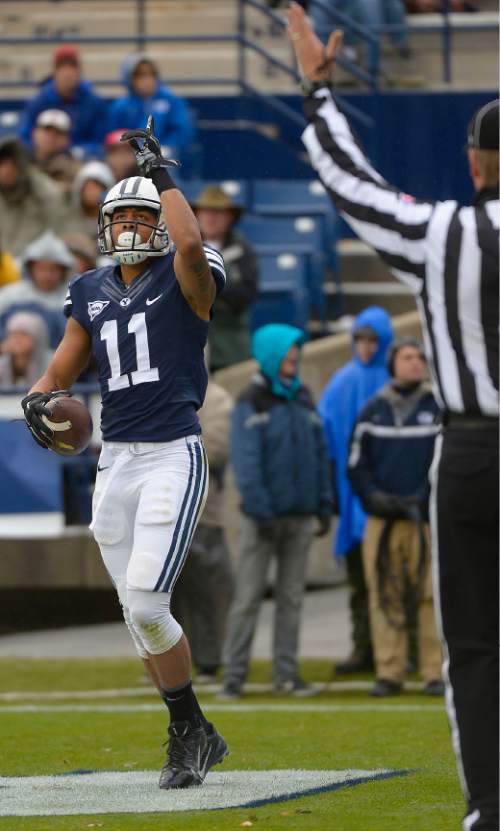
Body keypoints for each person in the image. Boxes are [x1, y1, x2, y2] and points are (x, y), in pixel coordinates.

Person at [287, 5, 498, 827]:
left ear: (475, 166)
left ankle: (490, 804)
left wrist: (318, 88)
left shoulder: (444, 233)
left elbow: (353, 186)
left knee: (475, 648)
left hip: (473, 454)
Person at [21, 119, 228, 790]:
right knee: (136, 612)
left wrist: (160, 172)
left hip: (172, 453)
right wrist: (40, 401)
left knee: (146, 605)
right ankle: (193, 728)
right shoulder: (89, 289)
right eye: (125, 214)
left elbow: (193, 243)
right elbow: (57, 373)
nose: (134, 225)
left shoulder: (186, 272)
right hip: (116, 460)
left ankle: (188, 727)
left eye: (146, 214)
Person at [221, 324, 332, 699]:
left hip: (299, 516)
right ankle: (233, 676)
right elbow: (247, 465)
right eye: (285, 353)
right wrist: (261, 510)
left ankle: (287, 674)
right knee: (248, 598)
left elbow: (319, 454)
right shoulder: (250, 401)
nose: (292, 359)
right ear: (270, 356)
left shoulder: (303, 397)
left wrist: (322, 504)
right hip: (261, 520)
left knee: (291, 599)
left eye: (295, 352)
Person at [347, 338, 442, 696]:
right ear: (393, 365)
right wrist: (373, 497)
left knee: (429, 595)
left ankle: (433, 672)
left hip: (424, 520)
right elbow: (356, 463)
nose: (415, 363)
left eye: (420, 358)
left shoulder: (438, 408)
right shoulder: (373, 411)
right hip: (382, 521)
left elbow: (444, 460)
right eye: (407, 357)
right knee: (383, 594)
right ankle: (390, 672)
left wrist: (425, 496)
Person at [318, 306, 393, 674]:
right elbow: (326, 439)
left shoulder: (394, 382)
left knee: (396, 577)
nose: (365, 347)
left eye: (372, 340)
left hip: (390, 495)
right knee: (359, 580)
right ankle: (363, 648)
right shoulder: (341, 382)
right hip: (351, 496)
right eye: (360, 340)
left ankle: (398, 651)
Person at [171, 371, 234, 683]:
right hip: (164, 510)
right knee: (163, 593)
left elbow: (219, 447)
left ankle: (209, 659)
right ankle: (166, 660)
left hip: (203, 510)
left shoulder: (217, 398)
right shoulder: (161, 388)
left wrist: (170, 448)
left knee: (207, 590)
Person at [191, 186, 259, 371]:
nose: (211, 218)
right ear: (196, 215)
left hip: (231, 349)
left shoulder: (244, 252)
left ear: (229, 217)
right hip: (191, 347)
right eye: (206, 212)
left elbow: (243, 296)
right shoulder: (184, 249)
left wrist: (205, 290)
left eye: (218, 213)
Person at [18, 45, 106, 158]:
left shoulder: (93, 101)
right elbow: (25, 137)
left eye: (72, 66)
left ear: (79, 71)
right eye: (62, 66)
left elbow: (101, 141)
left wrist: (76, 152)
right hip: (43, 158)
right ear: (54, 71)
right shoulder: (39, 100)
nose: (67, 72)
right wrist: (41, 148)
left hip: (79, 161)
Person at [107, 54, 194, 161]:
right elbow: (112, 137)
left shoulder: (171, 101)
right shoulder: (120, 107)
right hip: (129, 160)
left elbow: (182, 131)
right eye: (140, 75)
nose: (147, 80)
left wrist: (167, 147)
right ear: (130, 79)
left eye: (151, 74)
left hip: (165, 158)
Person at [0, 231, 74, 349]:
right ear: (30, 268)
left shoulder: (72, 298)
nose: (47, 275)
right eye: (41, 268)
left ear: (64, 271)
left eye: (54, 269)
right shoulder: (10, 295)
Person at [0, 136, 69, 257]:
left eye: (12, 164)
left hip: (34, 264)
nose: (7, 170)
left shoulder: (43, 192)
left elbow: (57, 232)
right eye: (2, 164)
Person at [0, 311, 52, 389]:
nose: (17, 340)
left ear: (37, 339)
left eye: (23, 335)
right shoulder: (3, 363)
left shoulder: (51, 362)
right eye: (13, 334)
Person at [66, 161, 115, 240]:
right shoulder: (68, 222)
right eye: (88, 188)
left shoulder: (115, 223)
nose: (92, 192)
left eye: (97, 187)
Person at [28, 109, 73, 176]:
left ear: (67, 139)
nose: (51, 137)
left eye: (58, 132)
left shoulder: (73, 170)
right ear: (34, 133)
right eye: (47, 130)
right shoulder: (21, 164)